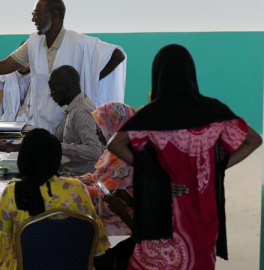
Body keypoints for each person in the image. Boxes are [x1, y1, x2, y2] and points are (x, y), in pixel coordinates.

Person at [107, 44, 262, 270]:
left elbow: (115, 144)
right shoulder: (213, 110)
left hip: (163, 210)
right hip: (202, 208)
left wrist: (154, 174)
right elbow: (254, 140)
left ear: (157, 73)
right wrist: (217, 166)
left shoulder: (152, 115)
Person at [0, 0, 126, 132]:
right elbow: (4, 66)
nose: (33, 19)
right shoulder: (34, 43)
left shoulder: (79, 42)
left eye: (38, 14)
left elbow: (118, 54)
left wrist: (90, 79)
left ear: (55, 14)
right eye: (33, 14)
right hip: (42, 120)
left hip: (70, 121)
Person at [0, 128, 110, 270]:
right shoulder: (77, 189)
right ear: (56, 157)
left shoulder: (12, 193)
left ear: (23, 158)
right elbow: (98, 243)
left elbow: (0, 251)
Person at [0, 65, 102, 175]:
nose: (51, 95)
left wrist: (57, 147)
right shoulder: (72, 108)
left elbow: (94, 151)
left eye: (53, 90)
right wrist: (18, 147)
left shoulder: (82, 111)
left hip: (79, 180)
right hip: (66, 174)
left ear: (67, 89)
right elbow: (53, 140)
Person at [78, 102, 136, 236]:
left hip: (117, 225)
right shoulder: (111, 153)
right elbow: (97, 179)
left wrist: (74, 187)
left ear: (115, 127)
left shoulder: (125, 162)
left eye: (100, 127)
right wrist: (75, 180)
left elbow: (107, 202)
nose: (97, 132)